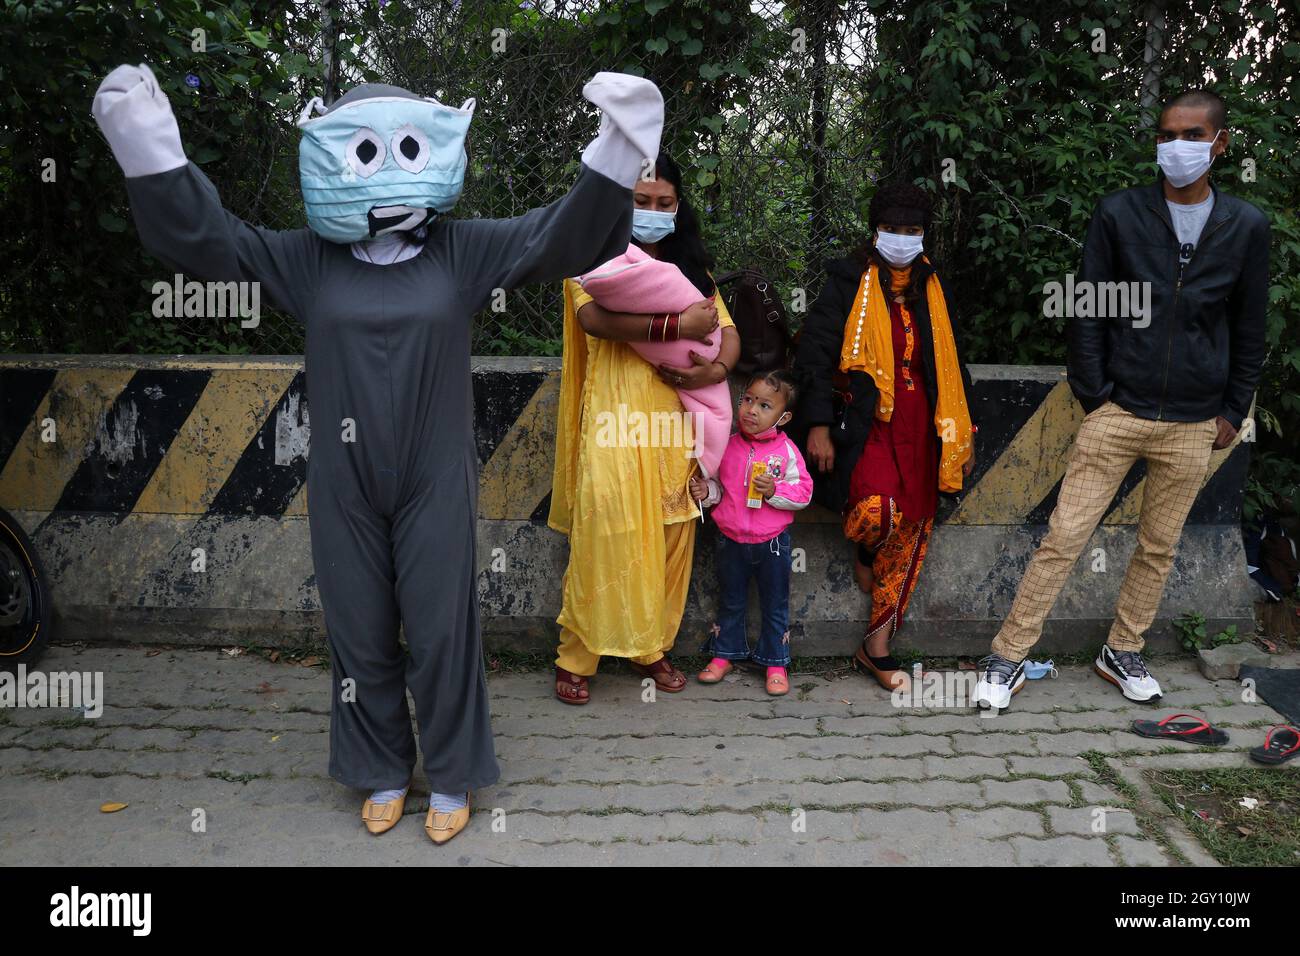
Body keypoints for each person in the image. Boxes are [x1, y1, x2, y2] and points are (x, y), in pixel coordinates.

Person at [93, 63, 663, 843]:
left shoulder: (461, 254)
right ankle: (384, 770)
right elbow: (216, 245)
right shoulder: (307, 261)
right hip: (343, 479)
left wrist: (620, 145)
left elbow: (555, 235)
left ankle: (455, 774)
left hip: (435, 475)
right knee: (358, 628)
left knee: (441, 626)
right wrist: (148, 145)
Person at [974, 89, 1270, 711]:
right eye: (1165, 135)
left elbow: (1249, 327)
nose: (1175, 148)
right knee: (1064, 536)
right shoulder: (1120, 213)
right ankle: (1007, 658)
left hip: (1195, 421)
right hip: (1120, 411)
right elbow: (1088, 310)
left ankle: (1122, 649)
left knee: (1158, 547)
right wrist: (1096, 394)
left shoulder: (1245, 225)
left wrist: (1233, 409)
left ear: (1220, 142)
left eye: (1190, 136)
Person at [549, 153, 740, 704]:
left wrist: (718, 368)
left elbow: (726, 330)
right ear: (618, 202)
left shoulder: (690, 268)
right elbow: (596, 321)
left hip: (680, 426)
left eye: (664, 203)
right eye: (640, 201)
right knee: (603, 533)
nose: (652, 212)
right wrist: (677, 324)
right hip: (614, 420)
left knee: (672, 534)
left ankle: (649, 647)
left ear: (678, 209)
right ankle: (576, 654)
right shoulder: (593, 257)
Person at [791, 181, 975, 692]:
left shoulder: (934, 287)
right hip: (865, 423)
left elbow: (952, 363)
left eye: (911, 230)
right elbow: (816, 356)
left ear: (924, 234)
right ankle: (866, 553)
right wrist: (821, 425)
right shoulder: (848, 280)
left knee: (912, 529)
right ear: (875, 230)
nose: (900, 237)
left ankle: (876, 648)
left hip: (925, 428)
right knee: (877, 511)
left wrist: (965, 428)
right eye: (891, 228)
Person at [692, 369, 812, 695]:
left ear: (783, 417)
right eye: (747, 400)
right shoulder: (727, 446)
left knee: (775, 605)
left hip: (772, 544)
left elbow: (803, 493)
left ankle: (775, 662)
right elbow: (720, 488)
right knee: (731, 601)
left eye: (764, 406)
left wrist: (774, 490)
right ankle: (724, 655)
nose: (751, 410)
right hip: (729, 541)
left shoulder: (786, 452)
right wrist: (708, 493)